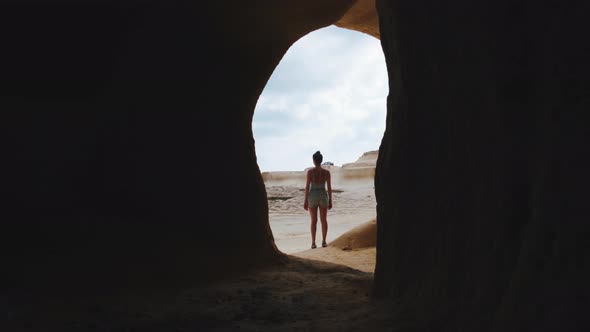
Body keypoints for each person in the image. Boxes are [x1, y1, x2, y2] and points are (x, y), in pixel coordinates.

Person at [304, 151, 332, 249]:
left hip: (313, 195)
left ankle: (313, 243)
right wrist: (330, 200)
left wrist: (305, 200)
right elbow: (329, 187)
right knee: (323, 220)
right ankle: (324, 241)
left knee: (313, 220)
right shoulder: (326, 172)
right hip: (323, 194)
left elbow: (307, 187)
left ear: (314, 161)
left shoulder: (310, 172)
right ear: (321, 160)